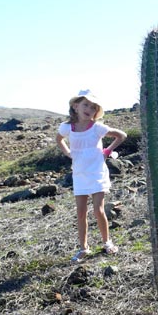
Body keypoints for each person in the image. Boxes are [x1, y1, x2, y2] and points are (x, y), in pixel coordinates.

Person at [56, 89, 127, 262]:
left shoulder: (97, 128)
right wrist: (68, 153)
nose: (89, 109)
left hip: (96, 173)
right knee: (81, 212)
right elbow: (59, 139)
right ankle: (83, 248)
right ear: (76, 106)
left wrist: (107, 151)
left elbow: (121, 136)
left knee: (98, 209)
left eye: (93, 107)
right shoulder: (67, 127)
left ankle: (107, 242)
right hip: (79, 174)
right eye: (86, 104)